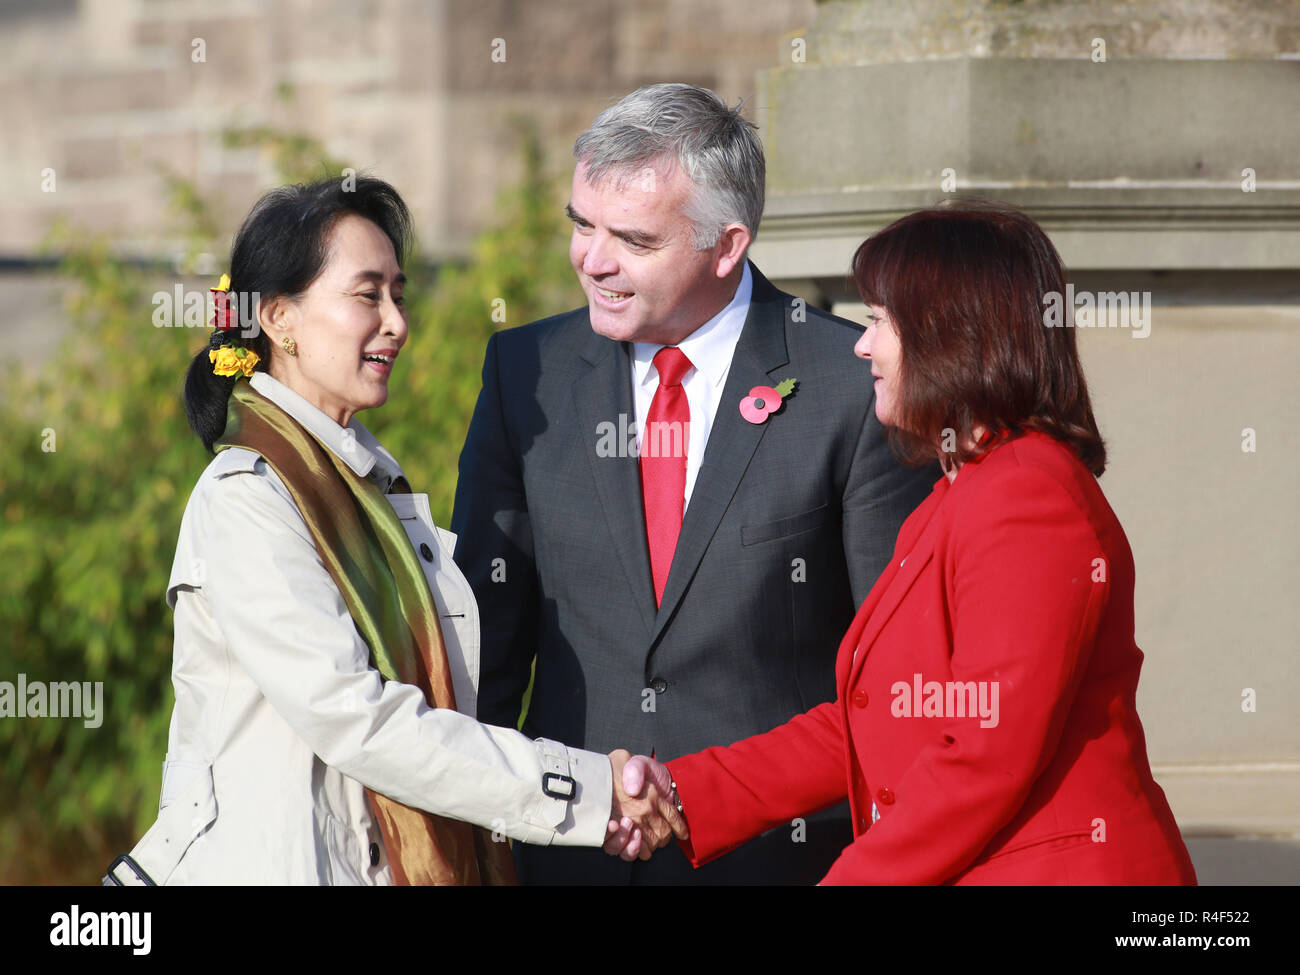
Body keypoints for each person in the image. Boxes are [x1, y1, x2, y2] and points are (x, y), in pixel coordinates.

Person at [105, 176, 683, 886]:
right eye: (367, 294)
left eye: (399, 295)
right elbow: (359, 717)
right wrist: (591, 789)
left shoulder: (369, 489)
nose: (397, 322)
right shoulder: (246, 500)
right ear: (281, 317)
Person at [623, 201, 1198, 884]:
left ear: (950, 335)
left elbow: (985, 757)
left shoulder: (1027, 498)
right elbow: (873, 721)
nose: (862, 345)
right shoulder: (961, 491)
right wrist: (684, 791)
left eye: (880, 321)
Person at [450, 83, 936, 884]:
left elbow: (889, 684)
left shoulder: (851, 385)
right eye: (581, 223)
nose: (593, 259)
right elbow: (487, 647)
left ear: (726, 245)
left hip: (778, 861)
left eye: (633, 239)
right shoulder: (524, 374)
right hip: (571, 859)